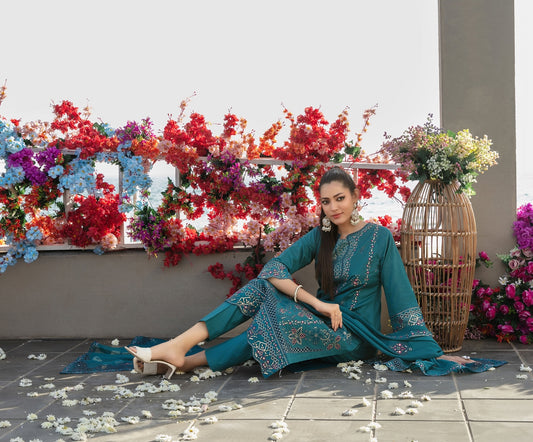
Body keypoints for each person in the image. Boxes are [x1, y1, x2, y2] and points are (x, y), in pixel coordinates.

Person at [126, 166, 504, 379]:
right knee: (263, 292)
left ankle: (184, 357)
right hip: (321, 319)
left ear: (356, 198)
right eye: (326, 201)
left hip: (354, 337)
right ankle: (179, 351)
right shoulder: (320, 237)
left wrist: (425, 346)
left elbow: (400, 295)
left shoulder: (379, 238)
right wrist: (318, 304)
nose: (334, 208)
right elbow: (273, 269)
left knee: (272, 320)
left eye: (340, 199)